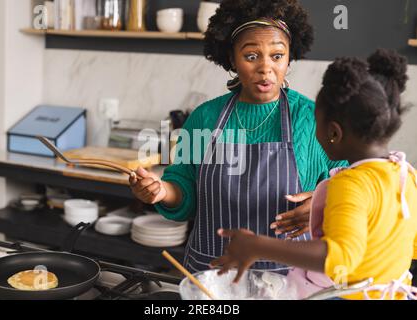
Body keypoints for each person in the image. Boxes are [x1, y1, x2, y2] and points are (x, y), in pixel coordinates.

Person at [130, 0, 346, 272]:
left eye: (277, 56)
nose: (266, 68)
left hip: (290, 280)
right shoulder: (205, 118)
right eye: (252, 56)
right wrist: (160, 191)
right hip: (213, 277)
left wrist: (321, 203)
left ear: (289, 58)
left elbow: (347, 185)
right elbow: (182, 188)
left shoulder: (312, 118)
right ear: (232, 59)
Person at [211, 49, 417, 300]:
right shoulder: (405, 174)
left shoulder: (350, 184)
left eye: (316, 124)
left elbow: (337, 257)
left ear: (334, 132)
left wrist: (257, 245)